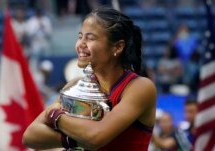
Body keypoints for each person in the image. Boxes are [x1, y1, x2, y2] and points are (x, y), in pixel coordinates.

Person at [22, 7, 157, 151]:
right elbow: (30, 136)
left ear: (118, 47)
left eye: (90, 38)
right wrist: (72, 140)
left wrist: (54, 115)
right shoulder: (75, 84)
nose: (81, 44)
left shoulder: (140, 87)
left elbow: (96, 137)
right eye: (80, 37)